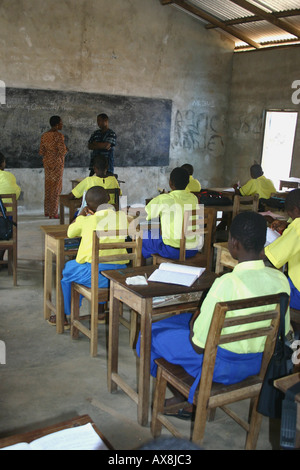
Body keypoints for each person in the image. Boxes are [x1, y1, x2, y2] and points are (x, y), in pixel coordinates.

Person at [137, 211, 291, 418]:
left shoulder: (226, 283)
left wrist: (194, 322)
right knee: (175, 323)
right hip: (258, 363)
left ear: (234, 244)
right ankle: (187, 394)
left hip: (221, 367)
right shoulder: (280, 280)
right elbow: (285, 334)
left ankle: (187, 397)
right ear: (263, 242)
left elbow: (198, 345)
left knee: (148, 334)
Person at [47, 186, 129, 327]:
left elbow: (71, 233)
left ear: (87, 206)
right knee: (82, 267)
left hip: (98, 279)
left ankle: (65, 315)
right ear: (109, 200)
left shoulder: (87, 221)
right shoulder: (122, 217)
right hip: (120, 275)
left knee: (68, 271)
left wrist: (80, 215)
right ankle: (101, 312)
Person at [141, 167, 199, 260]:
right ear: (188, 183)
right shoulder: (194, 198)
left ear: (170, 183)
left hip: (173, 251)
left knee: (142, 235)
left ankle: (142, 269)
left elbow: (144, 216)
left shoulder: (164, 199)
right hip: (192, 250)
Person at [265, 188, 300, 310]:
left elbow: (272, 257)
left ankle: (285, 327)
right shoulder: (295, 226)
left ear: (296, 210)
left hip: (299, 294)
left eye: (290, 215)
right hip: (295, 283)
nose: (290, 219)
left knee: (265, 291)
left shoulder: (297, 228)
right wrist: (287, 225)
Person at [39, 115, 68, 219]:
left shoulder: (44, 136)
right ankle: (54, 213)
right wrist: (66, 149)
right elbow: (62, 151)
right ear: (56, 124)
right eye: (61, 122)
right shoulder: (59, 136)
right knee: (56, 188)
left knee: (48, 187)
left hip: (47, 164)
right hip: (57, 164)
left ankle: (47, 211)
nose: (62, 124)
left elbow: (41, 151)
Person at [0, 152, 21, 264]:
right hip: (5, 227)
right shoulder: (9, 177)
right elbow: (16, 194)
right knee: (7, 220)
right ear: (3, 164)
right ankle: (1, 258)